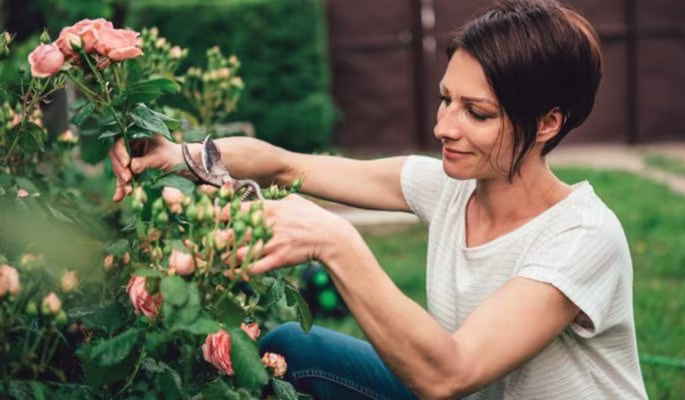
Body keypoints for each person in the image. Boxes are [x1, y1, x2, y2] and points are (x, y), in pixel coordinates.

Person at [109, 0, 648, 398]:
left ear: (548, 122)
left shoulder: (580, 238)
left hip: (451, 380)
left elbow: (449, 373)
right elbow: (287, 165)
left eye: (476, 113)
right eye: (445, 100)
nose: (443, 126)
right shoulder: (452, 187)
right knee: (291, 351)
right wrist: (178, 155)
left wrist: (335, 242)